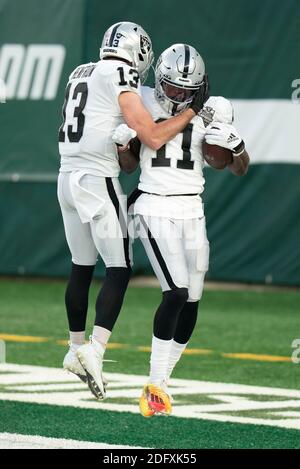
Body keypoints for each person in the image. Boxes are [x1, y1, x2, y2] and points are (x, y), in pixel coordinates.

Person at [57, 23, 206, 401]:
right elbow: (153, 137)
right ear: (135, 50)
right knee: (120, 268)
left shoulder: (81, 71)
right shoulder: (120, 71)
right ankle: (95, 349)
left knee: (81, 266)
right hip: (96, 178)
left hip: (66, 176)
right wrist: (193, 112)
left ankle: (75, 348)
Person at [112, 43, 250, 417]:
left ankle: (162, 385)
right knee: (175, 292)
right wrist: (124, 146)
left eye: (184, 90)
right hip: (153, 203)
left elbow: (227, 165)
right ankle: (154, 383)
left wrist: (238, 150)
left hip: (192, 207)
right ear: (159, 79)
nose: (175, 95)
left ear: (199, 87)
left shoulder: (214, 106)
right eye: (170, 87)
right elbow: (127, 166)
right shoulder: (140, 101)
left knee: (192, 300)